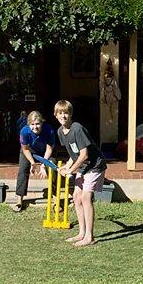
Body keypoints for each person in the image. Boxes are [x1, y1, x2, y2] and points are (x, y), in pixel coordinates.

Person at [54, 100, 106, 247]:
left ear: (70, 114)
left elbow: (84, 155)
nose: (63, 116)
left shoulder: (77, 129)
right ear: (56, 115)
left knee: (85, 197)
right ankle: (82, 233)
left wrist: (70, 170)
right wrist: (66, 166)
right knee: (76, 196)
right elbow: (74, 154)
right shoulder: (60, 132)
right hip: (83, 166)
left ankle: (89, 236)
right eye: (60, 113)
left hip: (94, 165)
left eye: (66, 113)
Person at [13, 111, 56, 212]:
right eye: (32, 124)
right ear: (29, 124)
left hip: (45, 152)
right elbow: (25, 149)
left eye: (37, 124)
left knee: (53, 167)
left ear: (42, 123)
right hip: (29, 151)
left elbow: (49, 149)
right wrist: (32, 163)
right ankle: (19, 199)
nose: (35, 127)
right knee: (23, 169)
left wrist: (43, 165)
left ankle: (55, 198)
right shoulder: (24, 131)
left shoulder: (48, 130)